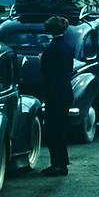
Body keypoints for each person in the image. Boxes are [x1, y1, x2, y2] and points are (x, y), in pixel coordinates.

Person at [40, 15, 74, 177]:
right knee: (60, 129)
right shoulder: (67, 45)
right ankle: (61, 163)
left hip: (55, 93)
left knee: (53, 129)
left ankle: (57, 164)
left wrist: (42, 59)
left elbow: (47, 71)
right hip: (65, 90)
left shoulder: (52, 49)